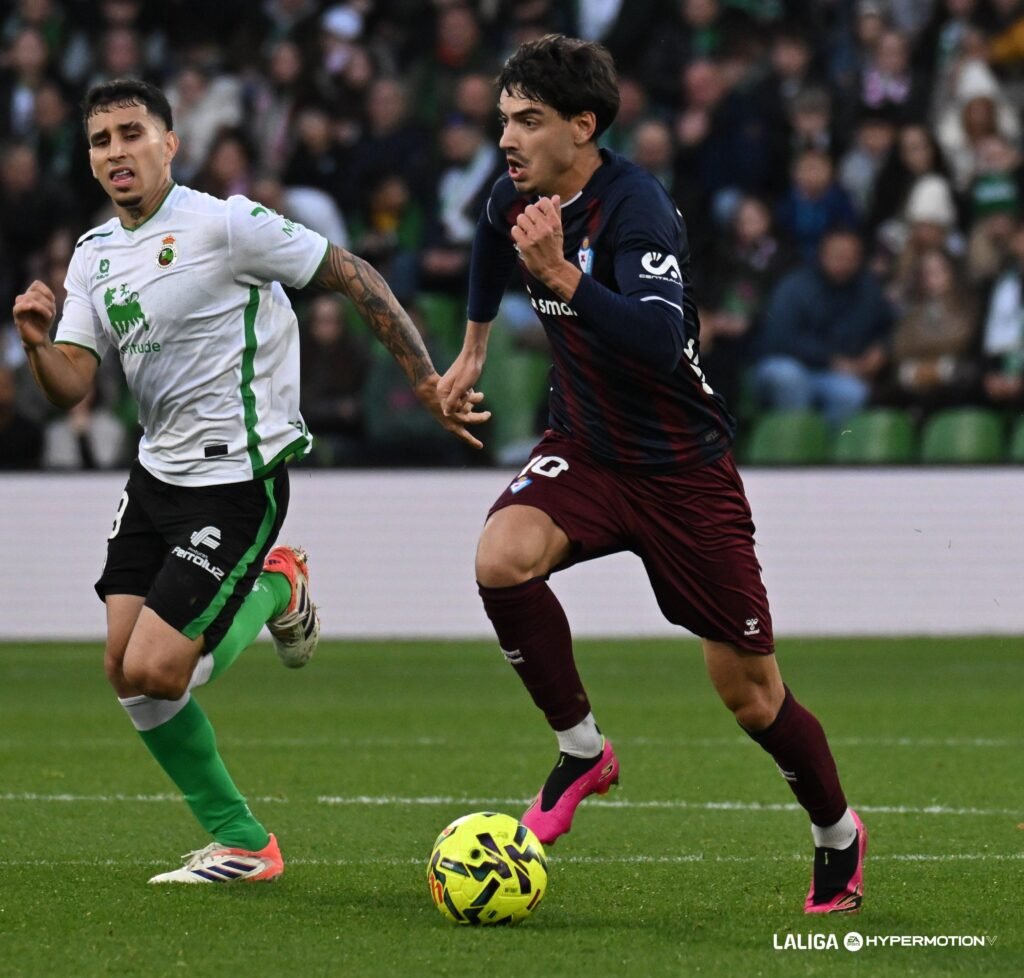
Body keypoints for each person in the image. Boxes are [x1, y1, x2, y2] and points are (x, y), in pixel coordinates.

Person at [12, 78, 487, 885]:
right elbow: (73, 384)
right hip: (155, 476)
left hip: (237, 478)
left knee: (161, 669)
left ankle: (276, 584)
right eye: (101, 140)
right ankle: (245, 845)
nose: (117, 151)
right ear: (89, 159)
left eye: (132, 133)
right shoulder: (93, 255)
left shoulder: (226, 224)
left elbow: (351, 272)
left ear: (169, 143)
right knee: (125, 672)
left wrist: (427, 379)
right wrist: (36, 344)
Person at [439, 34, 867, 915]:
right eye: (505, 119)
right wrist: (474, 347)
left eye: (529, 120)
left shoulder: (636, 209)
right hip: (587, 449)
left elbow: (662, 342)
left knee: (750, 696)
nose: (507, 138)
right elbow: (489, 234)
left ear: (583, 126)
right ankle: (582, 750)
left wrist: (561, 275)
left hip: (682, 472)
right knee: (500, 559)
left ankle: (838, 834)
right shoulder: (516, 191)